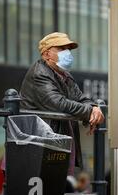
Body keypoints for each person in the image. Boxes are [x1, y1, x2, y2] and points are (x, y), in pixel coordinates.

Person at [20, 32, 105, 176]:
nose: (67, 53)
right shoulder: (39, 73)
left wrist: (94, 108)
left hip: (55, 143)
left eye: (68, 49)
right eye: (61, 48)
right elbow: (58, 103)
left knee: (55, 193)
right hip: (37, 147)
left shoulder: (65, 74)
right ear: (47, 54)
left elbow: (81, 98)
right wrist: (90, 112)